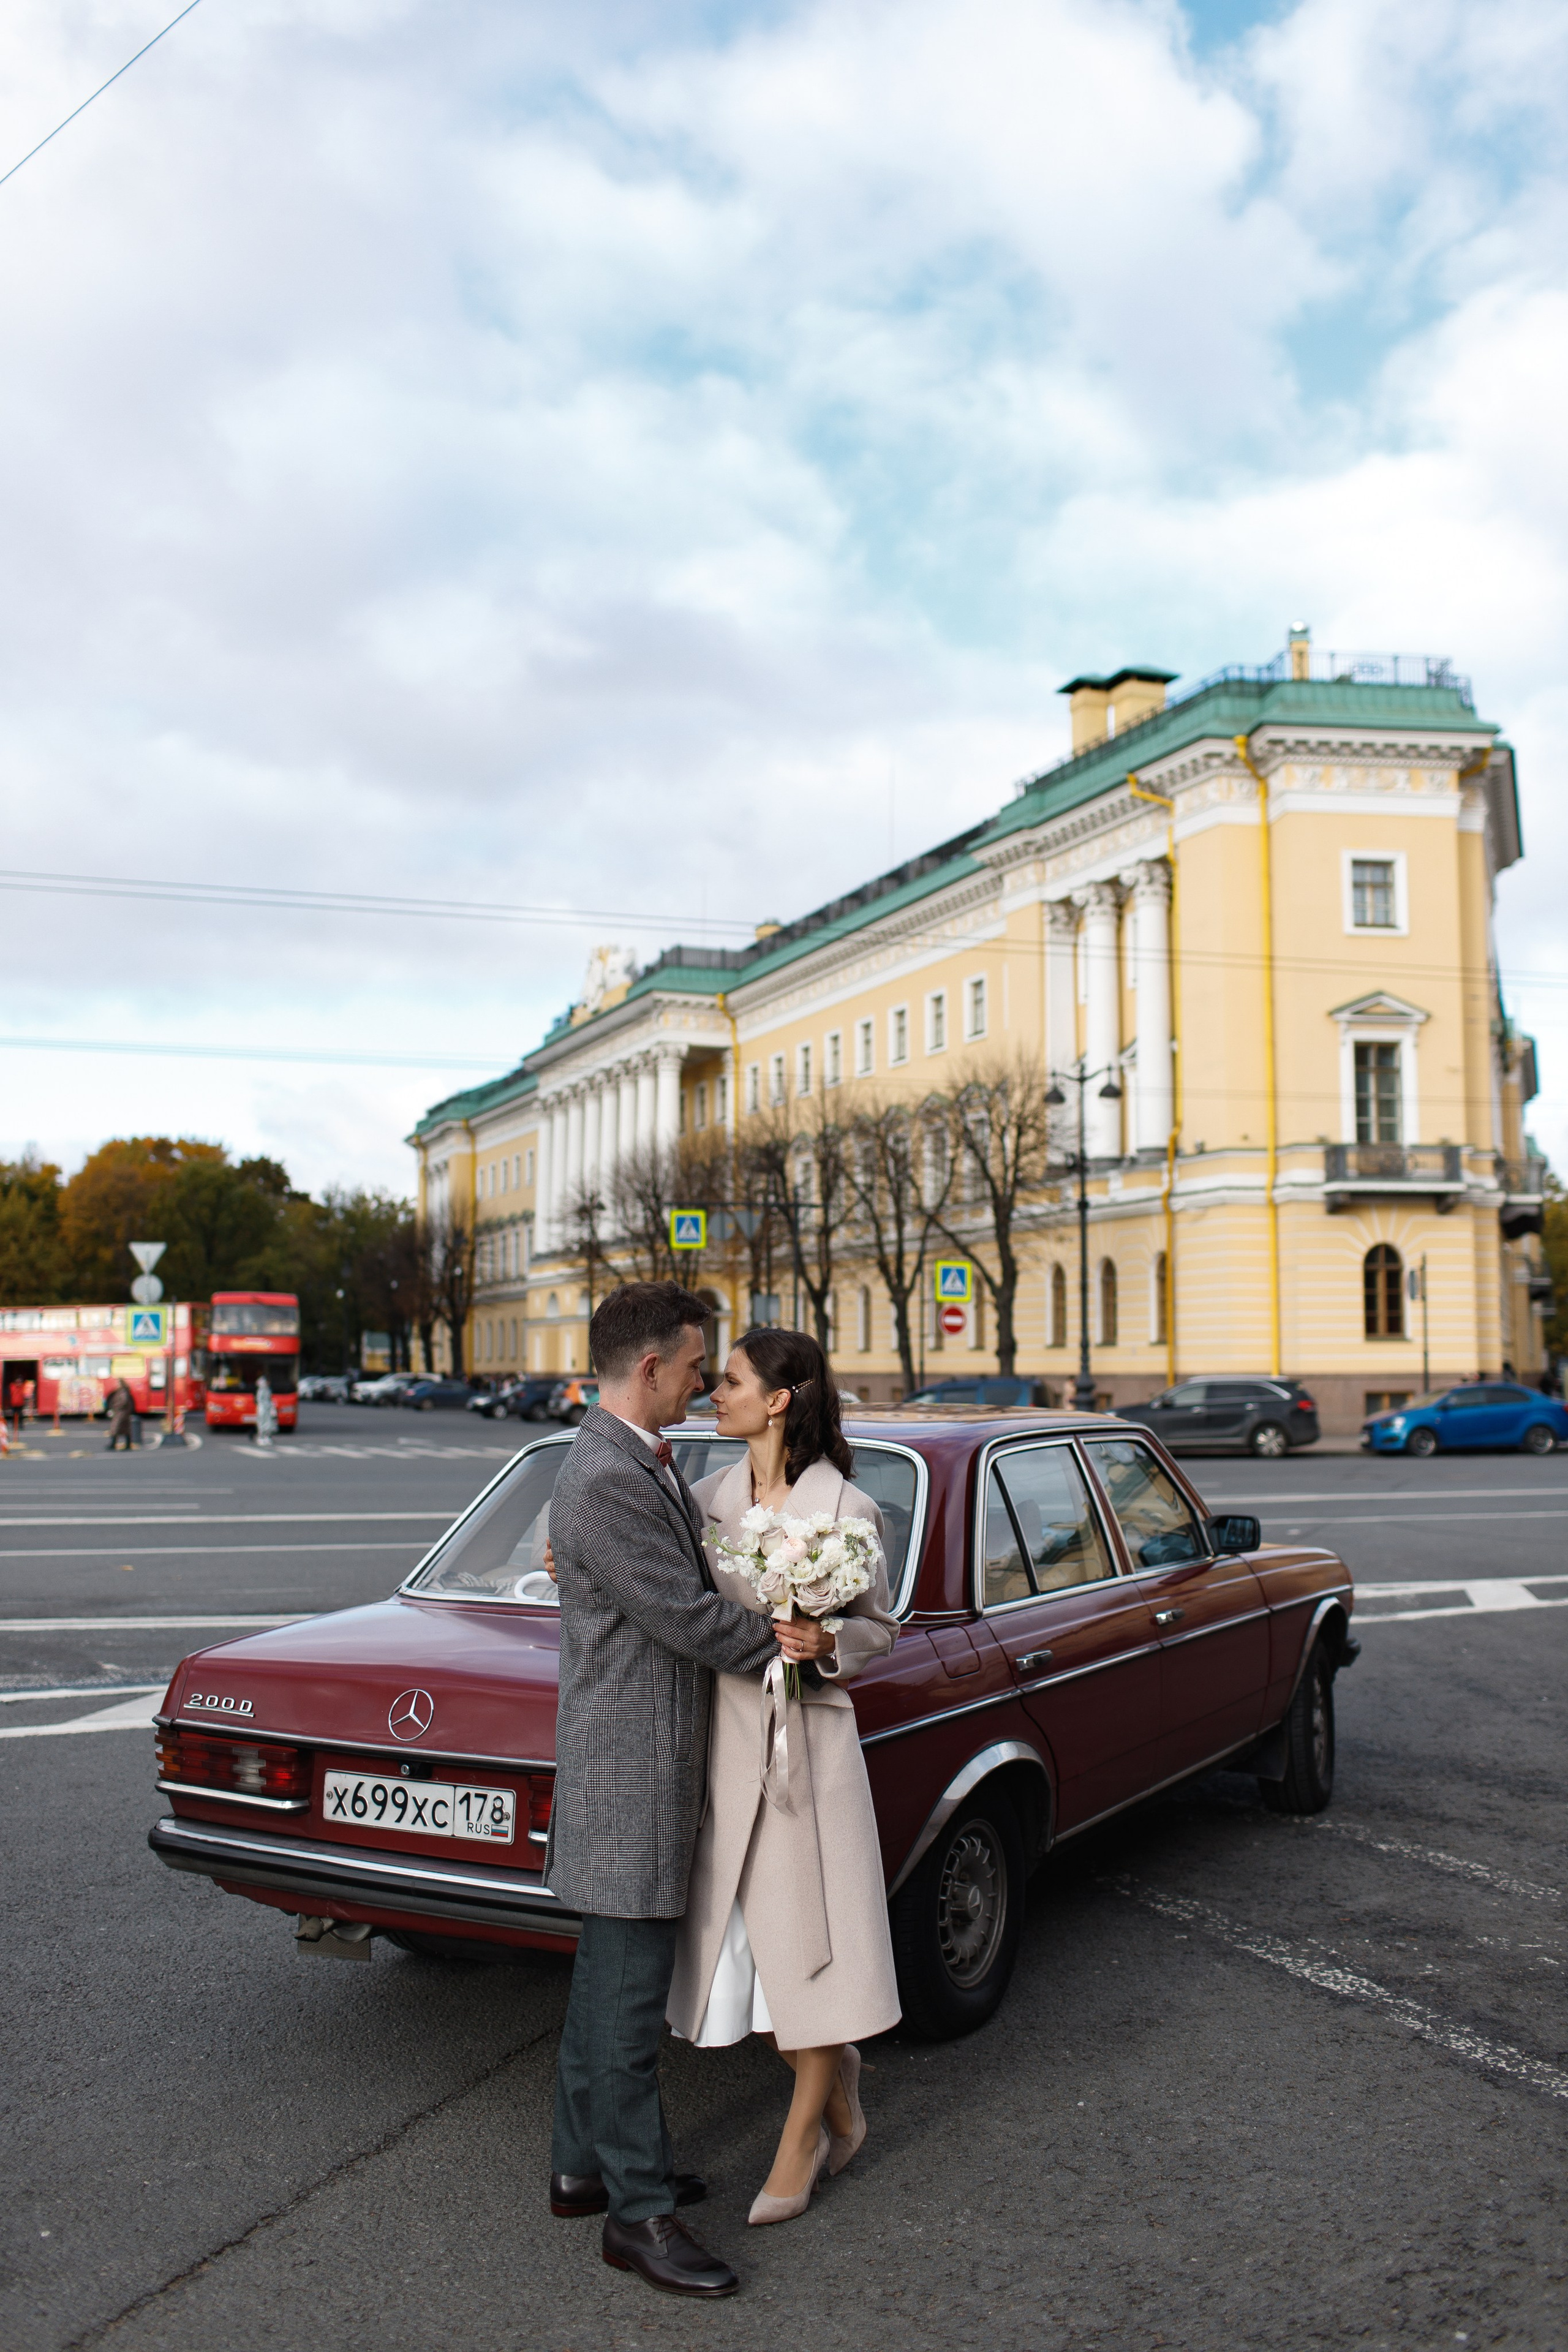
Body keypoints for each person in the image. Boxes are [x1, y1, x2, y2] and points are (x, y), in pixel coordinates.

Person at [545, 1281, 786, 2301]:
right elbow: (685, 1616)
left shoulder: (626, 1461)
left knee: (606, 1986)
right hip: (629, 1776)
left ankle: (580, 2169)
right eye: (696, 1363)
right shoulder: (605, 1475)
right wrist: (792, 1640)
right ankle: (639, 2217)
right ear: (650, 1367)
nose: (702, 1378)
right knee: (630, 2002)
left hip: (631, 1764)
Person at [666, 1326, 900, 2223]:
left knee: (811, 1952)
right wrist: (571, 1560)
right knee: (756, 1954)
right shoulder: (706, 1499)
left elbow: (881, 1629)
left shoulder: (847, 1511)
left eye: (728, 1382)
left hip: (809, 1752)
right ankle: (838, 2089)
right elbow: (653, 1576)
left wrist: (829, 1641)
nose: (711, 1394)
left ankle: (801, 2137)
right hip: (726, 1745)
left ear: (778, 1401)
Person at [105, 1379, 136, 1453]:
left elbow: (123, 1402)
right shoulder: (123, 1391)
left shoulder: (122, 1392)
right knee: (125, 1429)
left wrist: (115, 1407)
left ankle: (113, 1444)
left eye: (117, 1384)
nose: (116, 1385)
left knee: (115, 1428)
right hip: (123, 1413)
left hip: (121, 1413)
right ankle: (127, 1444)